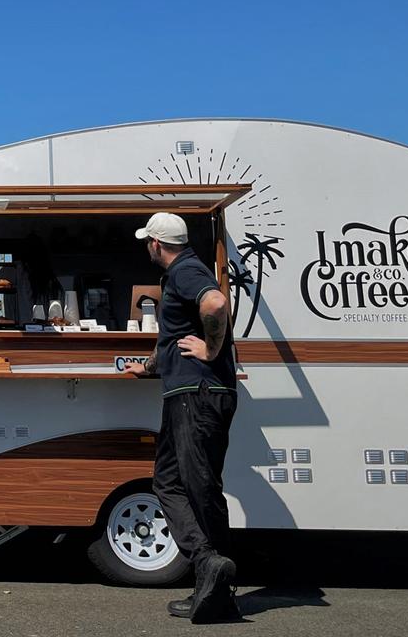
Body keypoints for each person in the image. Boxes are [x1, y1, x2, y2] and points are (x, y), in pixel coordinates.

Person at [122, 212, 239, 623]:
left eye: (147, 242)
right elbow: (171, 337)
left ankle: (209, 565)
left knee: (190, 485)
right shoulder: (180, 275)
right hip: (192, 394)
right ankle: (214, 587)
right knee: (180, 483)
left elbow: (216, 303)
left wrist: (210, 350)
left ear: (156, 243)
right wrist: (149, 367)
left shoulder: (187, 270)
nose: (147, 248)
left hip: (197, 395)